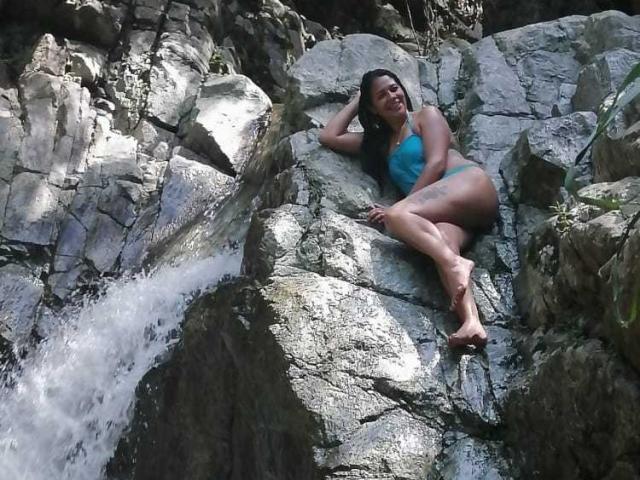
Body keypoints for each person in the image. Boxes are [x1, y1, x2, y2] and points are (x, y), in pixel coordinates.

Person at [318, 68, 498, 348]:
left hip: (469, 185)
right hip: (451, 215)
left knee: (396, 215)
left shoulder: (425, 116)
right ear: (373, 108)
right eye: (381, 95)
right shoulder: (381, 145)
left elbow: (436, 163)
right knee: (441, 243)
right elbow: (329, 136)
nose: (392, 96)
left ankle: (457, 264)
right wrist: (357, 100)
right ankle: (471, 323)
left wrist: (401, 208)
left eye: (394, 88)